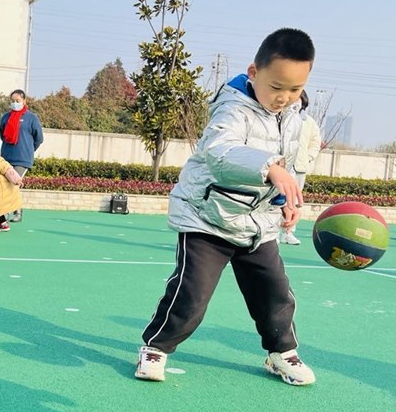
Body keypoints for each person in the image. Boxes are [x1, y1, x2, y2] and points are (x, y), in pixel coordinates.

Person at [135, 28, 316, 386]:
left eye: (295, 89)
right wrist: (270, 167)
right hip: (208, 219)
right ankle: (156, 347)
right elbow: (220, 153)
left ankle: (281, 352)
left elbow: (289, 164)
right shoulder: (232, 109)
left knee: (275, 293)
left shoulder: (294, 117)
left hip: (257, 224)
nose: (284, 97)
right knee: (191, 295)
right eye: (276, 87)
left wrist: (285, 201)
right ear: (254, 72)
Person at [279, 90, 321, 246]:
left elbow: (315, 142)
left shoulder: (308, 122)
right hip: (282, 167)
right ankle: (274, 232)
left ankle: (288, 232)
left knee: (294, 202)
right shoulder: (279, 118)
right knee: (278, 199)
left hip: (299, 167)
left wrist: (308, 157)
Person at [0, 89, 43, 222]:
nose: (15, 103)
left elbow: (39, 138)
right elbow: (2, 135)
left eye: (17, 101)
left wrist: (29, 149)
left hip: (22, 158)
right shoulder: (5, 117)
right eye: (12, 101)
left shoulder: (32, 118)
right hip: (6, 156)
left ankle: (13, 212)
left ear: (24, 101)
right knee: (4, 185)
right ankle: (11, 210)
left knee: (14, 184)